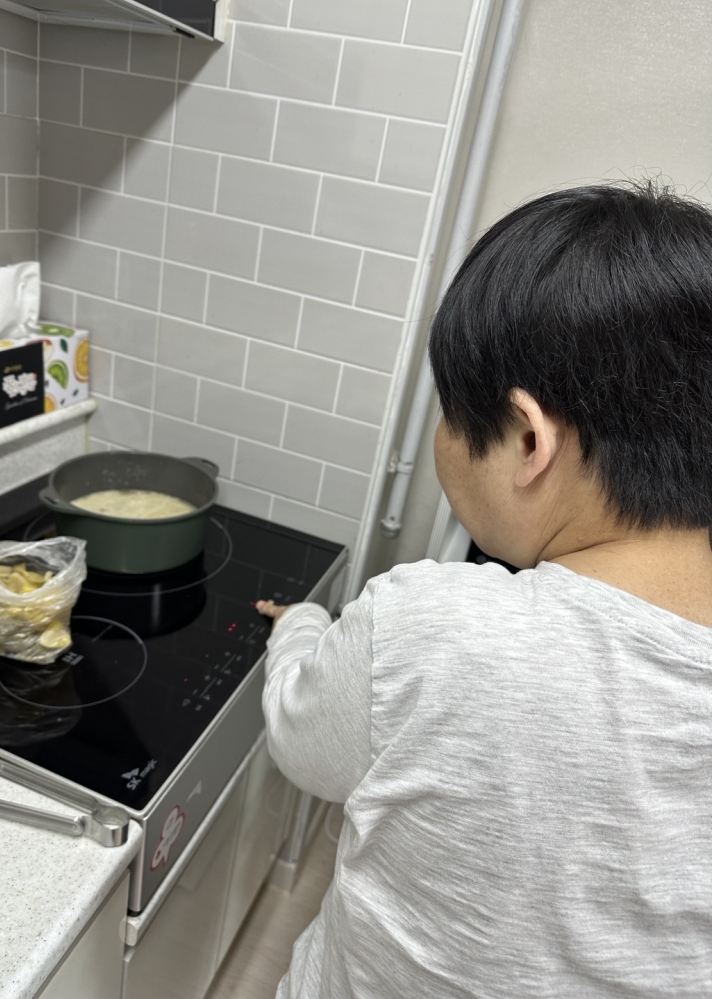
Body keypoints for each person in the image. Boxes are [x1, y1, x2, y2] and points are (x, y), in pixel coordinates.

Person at [256, 182, 712, 998]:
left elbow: (301, 737)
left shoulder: (435, 630)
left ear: (529, 441)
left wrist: (302, 625)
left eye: (451, 411)